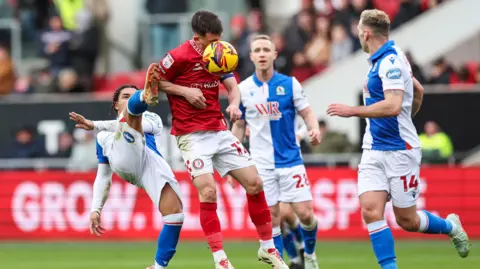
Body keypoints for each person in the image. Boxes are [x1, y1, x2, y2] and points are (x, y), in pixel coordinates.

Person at [326, 9, 470, 269]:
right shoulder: (385, 59)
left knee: (408, 220)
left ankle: (451, 226)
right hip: (373, 148)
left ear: (366, 33)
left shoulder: (390, 63)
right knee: (370, 210)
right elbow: (418, 90)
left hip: (400, 150)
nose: (358, 35)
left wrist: (353, 111)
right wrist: (405, 118)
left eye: (359, 31)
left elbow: (393, 105)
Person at [156, 10, 288, 269]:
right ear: (197, 37)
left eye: (219, 39)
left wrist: (235, 104)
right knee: (208, 191)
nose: (216, 45)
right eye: (211, 40)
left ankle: (267, 248)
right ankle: (221, 260)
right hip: (191, 135)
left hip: (218, 129)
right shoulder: (179, 56)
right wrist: (185, 91)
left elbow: (231, 85)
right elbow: (155, 80)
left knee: (255, 183)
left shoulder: (220, 52)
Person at [69, 64, 184, 269]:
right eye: (126, 96)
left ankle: (158, 267)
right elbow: (103, 176)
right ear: (115, 104)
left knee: (175, 215)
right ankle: (147, 91)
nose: (130, 97)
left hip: (149, 164)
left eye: (135, 94)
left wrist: (94, 124)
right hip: (123, 157)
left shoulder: (152, 118)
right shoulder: (103, 137)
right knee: (126, 122)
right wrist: (96, 208)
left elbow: (133, 124)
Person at [231, 34, 321, 269]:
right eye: (257, 50)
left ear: (274, 55)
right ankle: (283, 263)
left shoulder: (290, 84)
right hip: (261, 164)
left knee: (305, 215)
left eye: (265, 50)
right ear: (251, 56)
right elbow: (239, 126)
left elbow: (308, 113)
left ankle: (310, 255)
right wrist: (233, 165)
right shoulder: (243, 89)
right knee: (273, 218)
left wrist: (314, 129)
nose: (261, 54)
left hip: (290, 160)